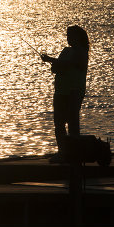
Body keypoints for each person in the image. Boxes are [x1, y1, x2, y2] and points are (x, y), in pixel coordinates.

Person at [41, 25, 89, 163]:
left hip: (74, 91)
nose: (68, 38)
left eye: (70, 35)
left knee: (72, 121)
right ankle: (63, 151)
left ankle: (74, 153)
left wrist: (51, 59)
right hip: (61, 91)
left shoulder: (81, 52)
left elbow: (68, 64)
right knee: (59, 122)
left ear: (77, 37)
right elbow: (57, 68)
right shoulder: (66, 51)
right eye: (67, 35)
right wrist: (55, 64)